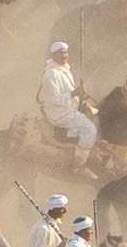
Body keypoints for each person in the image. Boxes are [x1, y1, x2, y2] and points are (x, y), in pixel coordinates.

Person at [39, 42, 98, 174]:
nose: (64, 56)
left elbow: (69, 91)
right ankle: (78, 165)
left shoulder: (64, 69)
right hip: (60, 114)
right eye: (60, 53)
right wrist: (73, 94)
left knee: (98, 115)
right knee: (90, 130)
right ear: (53, 55)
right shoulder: (51, 74)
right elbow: (52, 100)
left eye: (66, 52)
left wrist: (80, 95)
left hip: (71, 108)